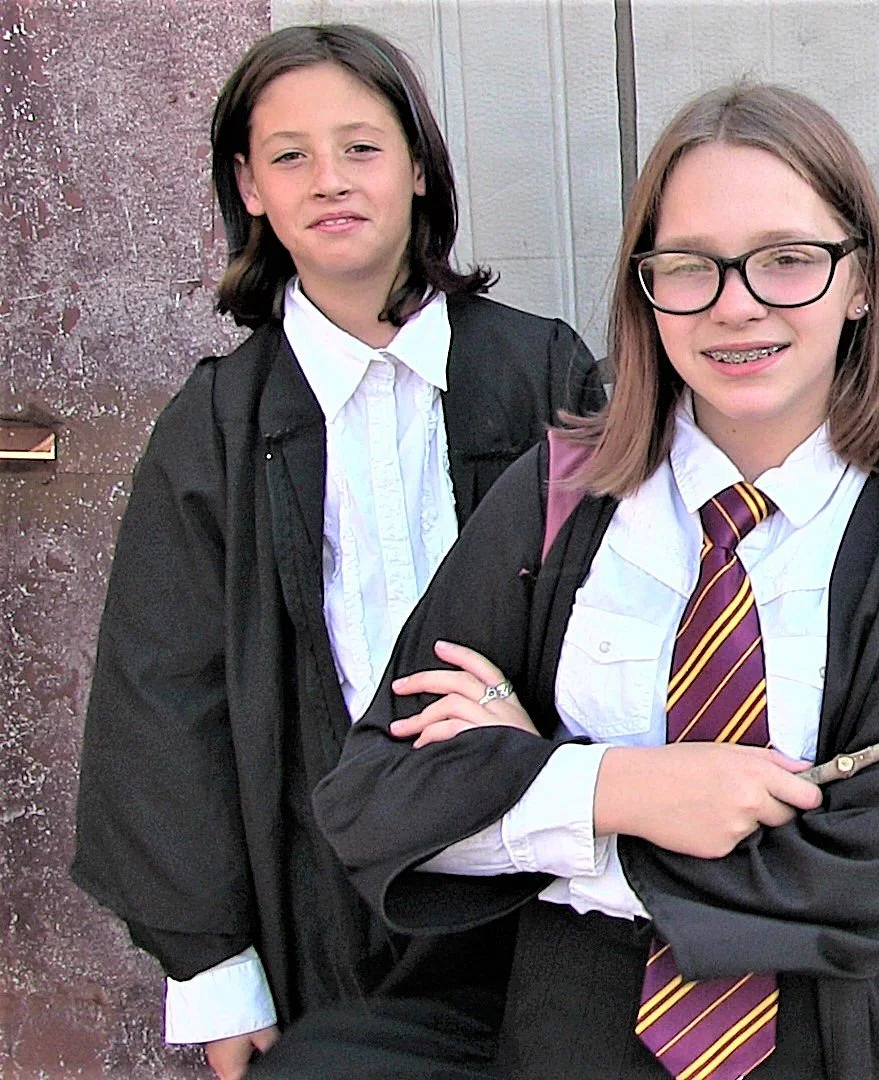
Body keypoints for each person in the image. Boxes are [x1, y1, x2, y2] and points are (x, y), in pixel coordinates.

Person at [309, 82, 879, 1079]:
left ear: (859, 282)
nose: (737, 304)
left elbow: (861, 884)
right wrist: (618, 786)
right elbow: (378, 802)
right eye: (689, 266)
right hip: (569, 1031)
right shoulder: (555, 499)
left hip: (831, 1041)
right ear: (646, 288)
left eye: (788, 259)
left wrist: (536, 784)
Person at [68, 23, 603, 1080]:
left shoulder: (539, 371)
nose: (330, 180)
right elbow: (164, 699)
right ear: (249, 187)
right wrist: (213, 966)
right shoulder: (216, 428)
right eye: (290, 155)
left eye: (361, 146)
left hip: (542, 875)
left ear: (418, 165)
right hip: (329, 899)